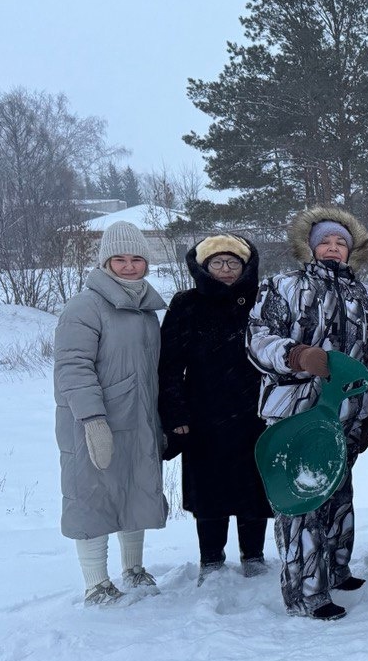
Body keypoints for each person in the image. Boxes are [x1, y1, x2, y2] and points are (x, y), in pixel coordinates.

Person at [246, 207, 368, 621]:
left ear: (351, 251)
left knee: (339, 493)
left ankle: (336, 568)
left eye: (341, 242)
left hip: (346, 414)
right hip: (295, 411)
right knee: (302, 500)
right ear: (309, 246)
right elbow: (257, 340)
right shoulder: (282, 286)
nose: (333, 248)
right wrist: (299, 356)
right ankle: (305, 592)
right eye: (325, 241)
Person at [54, 221, 168, 605]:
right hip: (97, 422)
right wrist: (92, 420)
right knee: (93, 497)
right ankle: (96, 584)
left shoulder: (145, 309)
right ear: (105, 262)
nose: (128, 266)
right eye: (119, 259)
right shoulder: (86, 306)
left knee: (134, 488)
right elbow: (73, 367)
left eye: (136, 258)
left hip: (139, 420)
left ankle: (133, 569)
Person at [159, 233, 272, 584]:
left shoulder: (263, 301)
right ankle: (211, 559)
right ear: (204, 267)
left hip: (258, 410)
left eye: (233, 263)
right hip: (205, 412)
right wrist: (176, 414)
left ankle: (253, 555)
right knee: (209, 490)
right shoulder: (186, 304)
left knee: (254, 486)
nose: (225, 270)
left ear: (246, 266)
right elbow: (169, 366)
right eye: (217, 263)